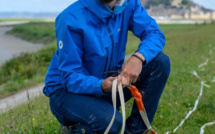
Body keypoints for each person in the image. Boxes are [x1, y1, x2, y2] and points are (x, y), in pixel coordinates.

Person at [43, 0, 171, 133]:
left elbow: (154, 33)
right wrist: (101, 86)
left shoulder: (129, 4)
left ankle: (135, 131)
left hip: (108, 82)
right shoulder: (69, 18)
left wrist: (139, 58)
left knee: (159, 63)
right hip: (66, 91)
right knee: (112, 122)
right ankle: (72, 128)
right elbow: (70, 77)